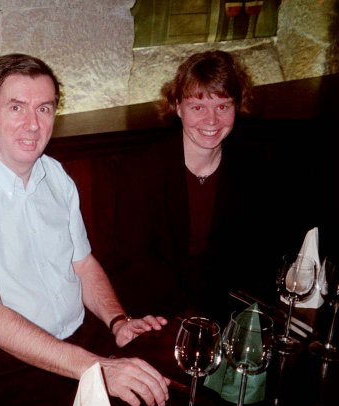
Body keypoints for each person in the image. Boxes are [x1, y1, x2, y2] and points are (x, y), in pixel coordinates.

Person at [0, 53, 170, 406]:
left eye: (44, 109)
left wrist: (118, 322)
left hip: (77, 337)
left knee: (165, 389)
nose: (32, 124)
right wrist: (97, 368)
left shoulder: (55, 175)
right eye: (16, 107)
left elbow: (83, 264)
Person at [113, 50, 277, 324]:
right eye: (197, 107)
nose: (212, 121)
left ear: (237, 106)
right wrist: (189, 315)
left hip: (225, 309)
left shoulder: (253, 167)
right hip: (155, 311)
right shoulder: (140, 168)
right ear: (178, 107)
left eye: (223, 106)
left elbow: (256, 254)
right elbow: (135, 260)